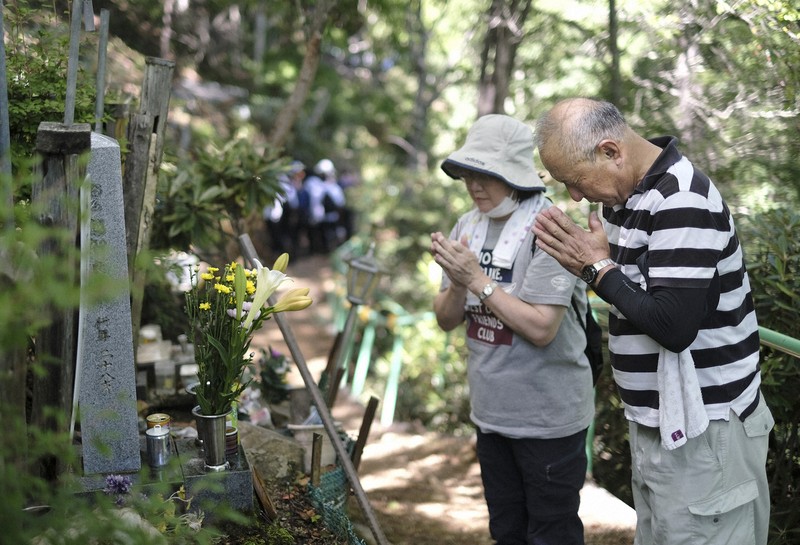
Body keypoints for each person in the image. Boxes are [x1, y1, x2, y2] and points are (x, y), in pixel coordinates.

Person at [531, 98, 774, 545]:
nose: (576, 196)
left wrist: (595, 271)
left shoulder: (682, 199)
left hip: (708, 430)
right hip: (662, 426)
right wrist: (599, 269)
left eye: (575, 181)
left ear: (610, 151)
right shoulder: (626, 199)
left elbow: (674, 328)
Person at [431, 114, 594, 545]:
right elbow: (446, 318)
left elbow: (542, 327)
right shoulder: (467, 226)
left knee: (551, 533)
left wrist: (476, 281)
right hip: (492, 414)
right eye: (468, 174)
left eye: (485, 174)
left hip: (548, 419)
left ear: (514, 175)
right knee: (506, 530)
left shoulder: (551, 228)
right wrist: (456, 281)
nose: (474, 185)